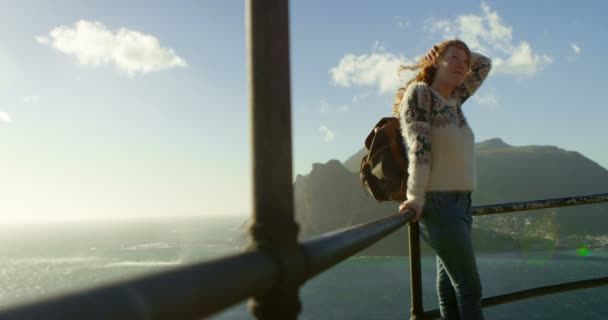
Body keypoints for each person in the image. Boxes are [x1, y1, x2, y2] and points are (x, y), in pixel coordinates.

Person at [395, 39, 492, 319]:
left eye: (465, 61)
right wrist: (414, 198)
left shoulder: (453, 99)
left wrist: (461, 53)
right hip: (439, 204)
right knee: (470, 289)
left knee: (451, 288)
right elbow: (419, 149)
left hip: (461, 203)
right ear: (436, 61)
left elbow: (484, 64)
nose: (463, 65)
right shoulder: (421, 95)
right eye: (454, 59)